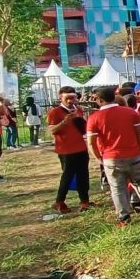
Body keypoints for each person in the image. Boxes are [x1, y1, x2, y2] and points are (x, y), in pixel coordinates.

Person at [87, 86, 140, 226]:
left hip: (111, 157)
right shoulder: (130, 113)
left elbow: (91, 143)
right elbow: (139, 134)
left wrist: (99, 158)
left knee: (117, 188)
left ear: (99, 99)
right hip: (134, 154)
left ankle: (124, 218)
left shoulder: (94, 118)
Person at [48, 86, 91, 214]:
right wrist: (64, 122)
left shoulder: (78, 110)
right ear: (61, 98)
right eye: (67, 98)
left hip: (81, 148)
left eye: (73, 97)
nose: (71, 101)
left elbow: (83, 129)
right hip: (66, 150)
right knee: (67, 176)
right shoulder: (55, 112)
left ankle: (85, 201)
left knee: (83, 175)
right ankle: (59, 201)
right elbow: (52, 130)